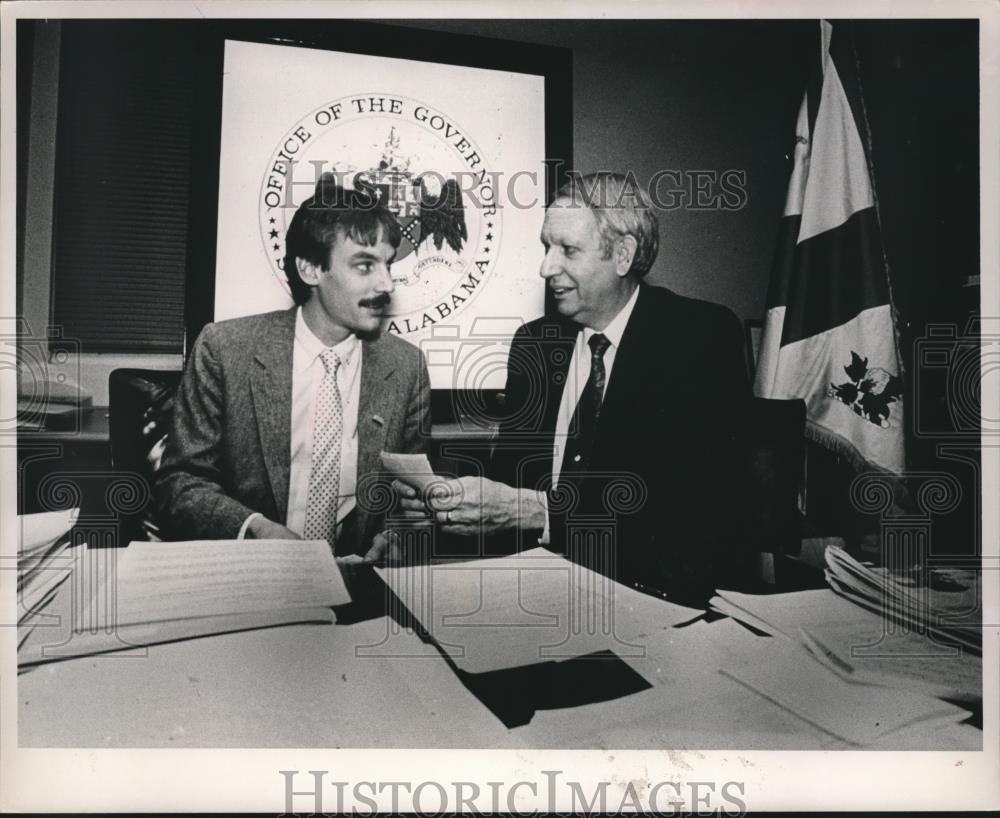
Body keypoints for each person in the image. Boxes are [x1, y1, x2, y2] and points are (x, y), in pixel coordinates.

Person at [395, 172, 749, 604]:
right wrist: (449, 506)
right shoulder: (535, 345)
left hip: (649, 602)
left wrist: (538, 512)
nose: (546, 267)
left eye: (567, 250)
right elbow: (510, 485)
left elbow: (689, 520)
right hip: (533, 598)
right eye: (546, 246)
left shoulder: (699, 339)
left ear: (623, 254)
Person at [157, 175, 430, 560]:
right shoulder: (223, 350)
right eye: (365, 266)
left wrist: (399, 537)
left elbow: (410, 498)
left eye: (388, 264)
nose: (386, 284)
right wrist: (254, 530)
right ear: (310, 269)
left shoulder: (406, 367)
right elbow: (180, 483)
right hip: (248, 575)